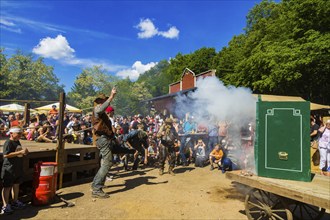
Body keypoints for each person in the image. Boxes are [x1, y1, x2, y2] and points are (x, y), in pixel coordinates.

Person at [91, 88, 117, 199]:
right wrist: (111, 96)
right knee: (107, 162)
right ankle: (96, 188)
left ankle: (95, 184)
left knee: (107, 162)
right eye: (103, 101)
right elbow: (102, 108)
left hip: (105, 138)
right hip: (102, 139)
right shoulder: (97, 109)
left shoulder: (101, 113)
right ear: (100, 102)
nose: (104, 102)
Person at [1, 127, 29, 214]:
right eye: (18, 134)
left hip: (16, 167)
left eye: (21, 134)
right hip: (9, 168)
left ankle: (15, 202)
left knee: (16, 185)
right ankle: (5, 206)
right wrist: (19, 153)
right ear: (11, 133)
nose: (20, 135)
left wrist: (24, 152)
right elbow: (5, 155)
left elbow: (18, 151)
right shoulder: (8, 142)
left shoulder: (17, 141)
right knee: (7, 187)